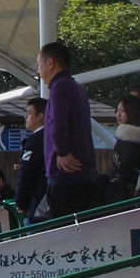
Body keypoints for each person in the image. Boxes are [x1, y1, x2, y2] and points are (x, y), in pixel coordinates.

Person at [40, 42, 102, 218]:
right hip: (83, 172)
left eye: (39, 64)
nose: (39, 71)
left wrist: (62, 151)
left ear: (50, 62)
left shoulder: (60, 88)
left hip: (66, 175)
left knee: (64, 233)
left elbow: (57, 123)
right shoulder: (75, 87)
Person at [14, 97, 48, 221]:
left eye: (29, 113)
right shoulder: (55, 137)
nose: (25, 117)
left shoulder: (34, 141)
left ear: (40, 116)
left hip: (38, 201)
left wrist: (20, 201)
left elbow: (26, 173)